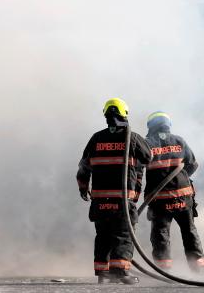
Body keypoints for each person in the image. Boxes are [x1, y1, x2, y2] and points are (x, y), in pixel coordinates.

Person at [76, 98, 152, 284]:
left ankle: (103, 272)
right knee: (123, 234)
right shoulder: (132, 138)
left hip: (100, 201)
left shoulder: (96, 139)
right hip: (122, 200)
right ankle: (121, 272)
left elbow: (83, 167)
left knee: (103, 235)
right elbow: (148, 157)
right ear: (124, 113)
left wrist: (83, 188)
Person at [144, 111, 204, 273]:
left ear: (151, 126)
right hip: (184, 198)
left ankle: (164, 270)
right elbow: (193, 164)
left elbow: (136, 169)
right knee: (189, 231)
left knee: (160, 234)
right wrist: (180, 177)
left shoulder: (147, 144)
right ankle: (198, 269)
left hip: (160, 201)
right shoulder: (179, 141)